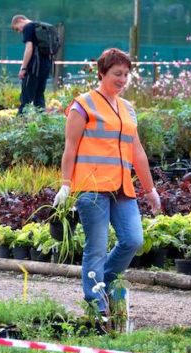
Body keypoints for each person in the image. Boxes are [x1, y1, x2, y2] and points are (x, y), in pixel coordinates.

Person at [56, 48, 161, 319]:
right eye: (117, 73)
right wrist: (65, 185)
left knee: (133, 239)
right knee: (97, 247)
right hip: (91, 188)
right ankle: (97, 304)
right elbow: (70, 148)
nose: (122, 79)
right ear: (101, 73)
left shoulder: (128, 109)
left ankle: (104, 281)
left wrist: (150, 189)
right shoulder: (83, 105)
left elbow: (137, 151)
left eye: (126, 74)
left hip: (122, 187)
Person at [11, 14, 53, 114]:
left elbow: (29, 48)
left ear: (21, 20)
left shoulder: (28, 27)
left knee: (26, 97)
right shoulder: (40, 27)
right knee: (39, 95)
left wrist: (23, 68)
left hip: (34, 67)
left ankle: (21, 121)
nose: (19, 31)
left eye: (17, 28)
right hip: (46, 66)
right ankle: (42, 122)